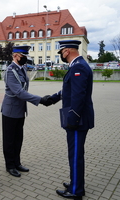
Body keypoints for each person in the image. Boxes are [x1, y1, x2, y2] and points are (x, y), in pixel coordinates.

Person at [48, 40, 94, 200]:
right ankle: (75, 182)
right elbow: (69, 90)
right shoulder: (78, 65)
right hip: (78, 118)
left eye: (61, 52)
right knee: (75, 154)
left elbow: (78, 96)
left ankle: (76, 191)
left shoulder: (78, 67)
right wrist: (53, 98)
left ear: (66, 51)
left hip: (77, 120)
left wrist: (72, 119)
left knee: (75, 155)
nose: (61, 55)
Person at [1, 45, 51, 178]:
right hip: (10, 111)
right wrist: (40, 100)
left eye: (26, 57)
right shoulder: (10, 71)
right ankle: (10, 165)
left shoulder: (22, 68)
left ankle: (17, 163)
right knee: (9, 140)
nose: (25, 59)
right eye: (23, 57)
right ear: (15, 56)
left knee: (18, 139)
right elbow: (19, 92)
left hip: (20, 110)